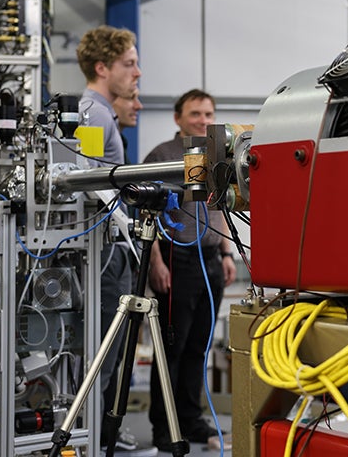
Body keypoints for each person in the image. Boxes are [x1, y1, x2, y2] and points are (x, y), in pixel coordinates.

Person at [75, 25, 156, 457]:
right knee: (101, 355)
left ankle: (96, 435)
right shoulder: (94, 112)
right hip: (103, 252)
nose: (137, 73)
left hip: (110, 246)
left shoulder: (98, 112)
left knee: (108, 353)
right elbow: (87, 181)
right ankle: (90, 439)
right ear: (103, 67)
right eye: (129, 63)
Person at [144, 89, 237, 451]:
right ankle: (163, 428)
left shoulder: (215, 155)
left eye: (208, 113)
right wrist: (156, 263)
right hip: (176, 259)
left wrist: (227, 254)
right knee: (172, 348)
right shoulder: (162, 156)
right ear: (178, 118)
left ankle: (192, 421)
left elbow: (222, 209)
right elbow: (145, 213)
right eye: (195, 113)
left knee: (199, 346)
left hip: (211, 258)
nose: (202, 120)